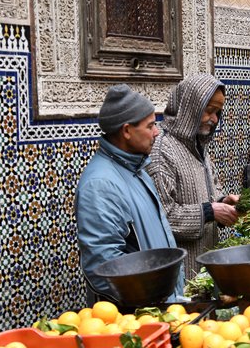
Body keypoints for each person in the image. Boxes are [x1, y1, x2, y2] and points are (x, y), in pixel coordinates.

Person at [75, 84, 184, 304]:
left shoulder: (137, 169)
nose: (157, 132)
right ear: (126, 131)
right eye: (150, 126)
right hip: (138, 319)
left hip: (161, 309)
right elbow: (103, 267)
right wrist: (152, 301)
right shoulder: (101, 185)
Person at [148, 74, 240, 279]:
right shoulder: (162, 150)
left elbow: (204, 198)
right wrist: (209, 212)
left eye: (218, 112)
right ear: (190, 108)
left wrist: (223, 203)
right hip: (181, 275)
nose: (214, 119)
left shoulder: (198, 145)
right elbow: (162, 217)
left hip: (205, 269)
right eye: (209, 111)